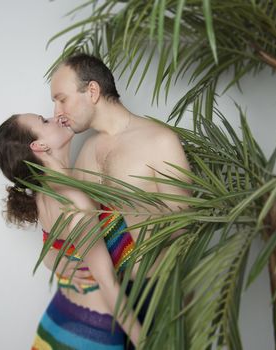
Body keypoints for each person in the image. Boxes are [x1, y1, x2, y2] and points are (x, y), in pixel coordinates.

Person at [50, 53, 192, 335]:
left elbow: (186, 228)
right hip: (108, 300)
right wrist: (55, 261)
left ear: (92, 91)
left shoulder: (159, 140)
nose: (57, 112)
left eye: (61, 99)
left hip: (157, 293)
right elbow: (73, 228)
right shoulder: (88, 150)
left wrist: (132, 208)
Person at [0, 113, 141, 349]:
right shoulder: (75, 202)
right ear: (39, 146)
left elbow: (52, 251)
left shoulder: (43, 195)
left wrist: (55, 262)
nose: (54, 117)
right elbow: (107, 283)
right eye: (43, 120)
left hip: (58, 320)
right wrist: (147, 341)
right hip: (90, 334)